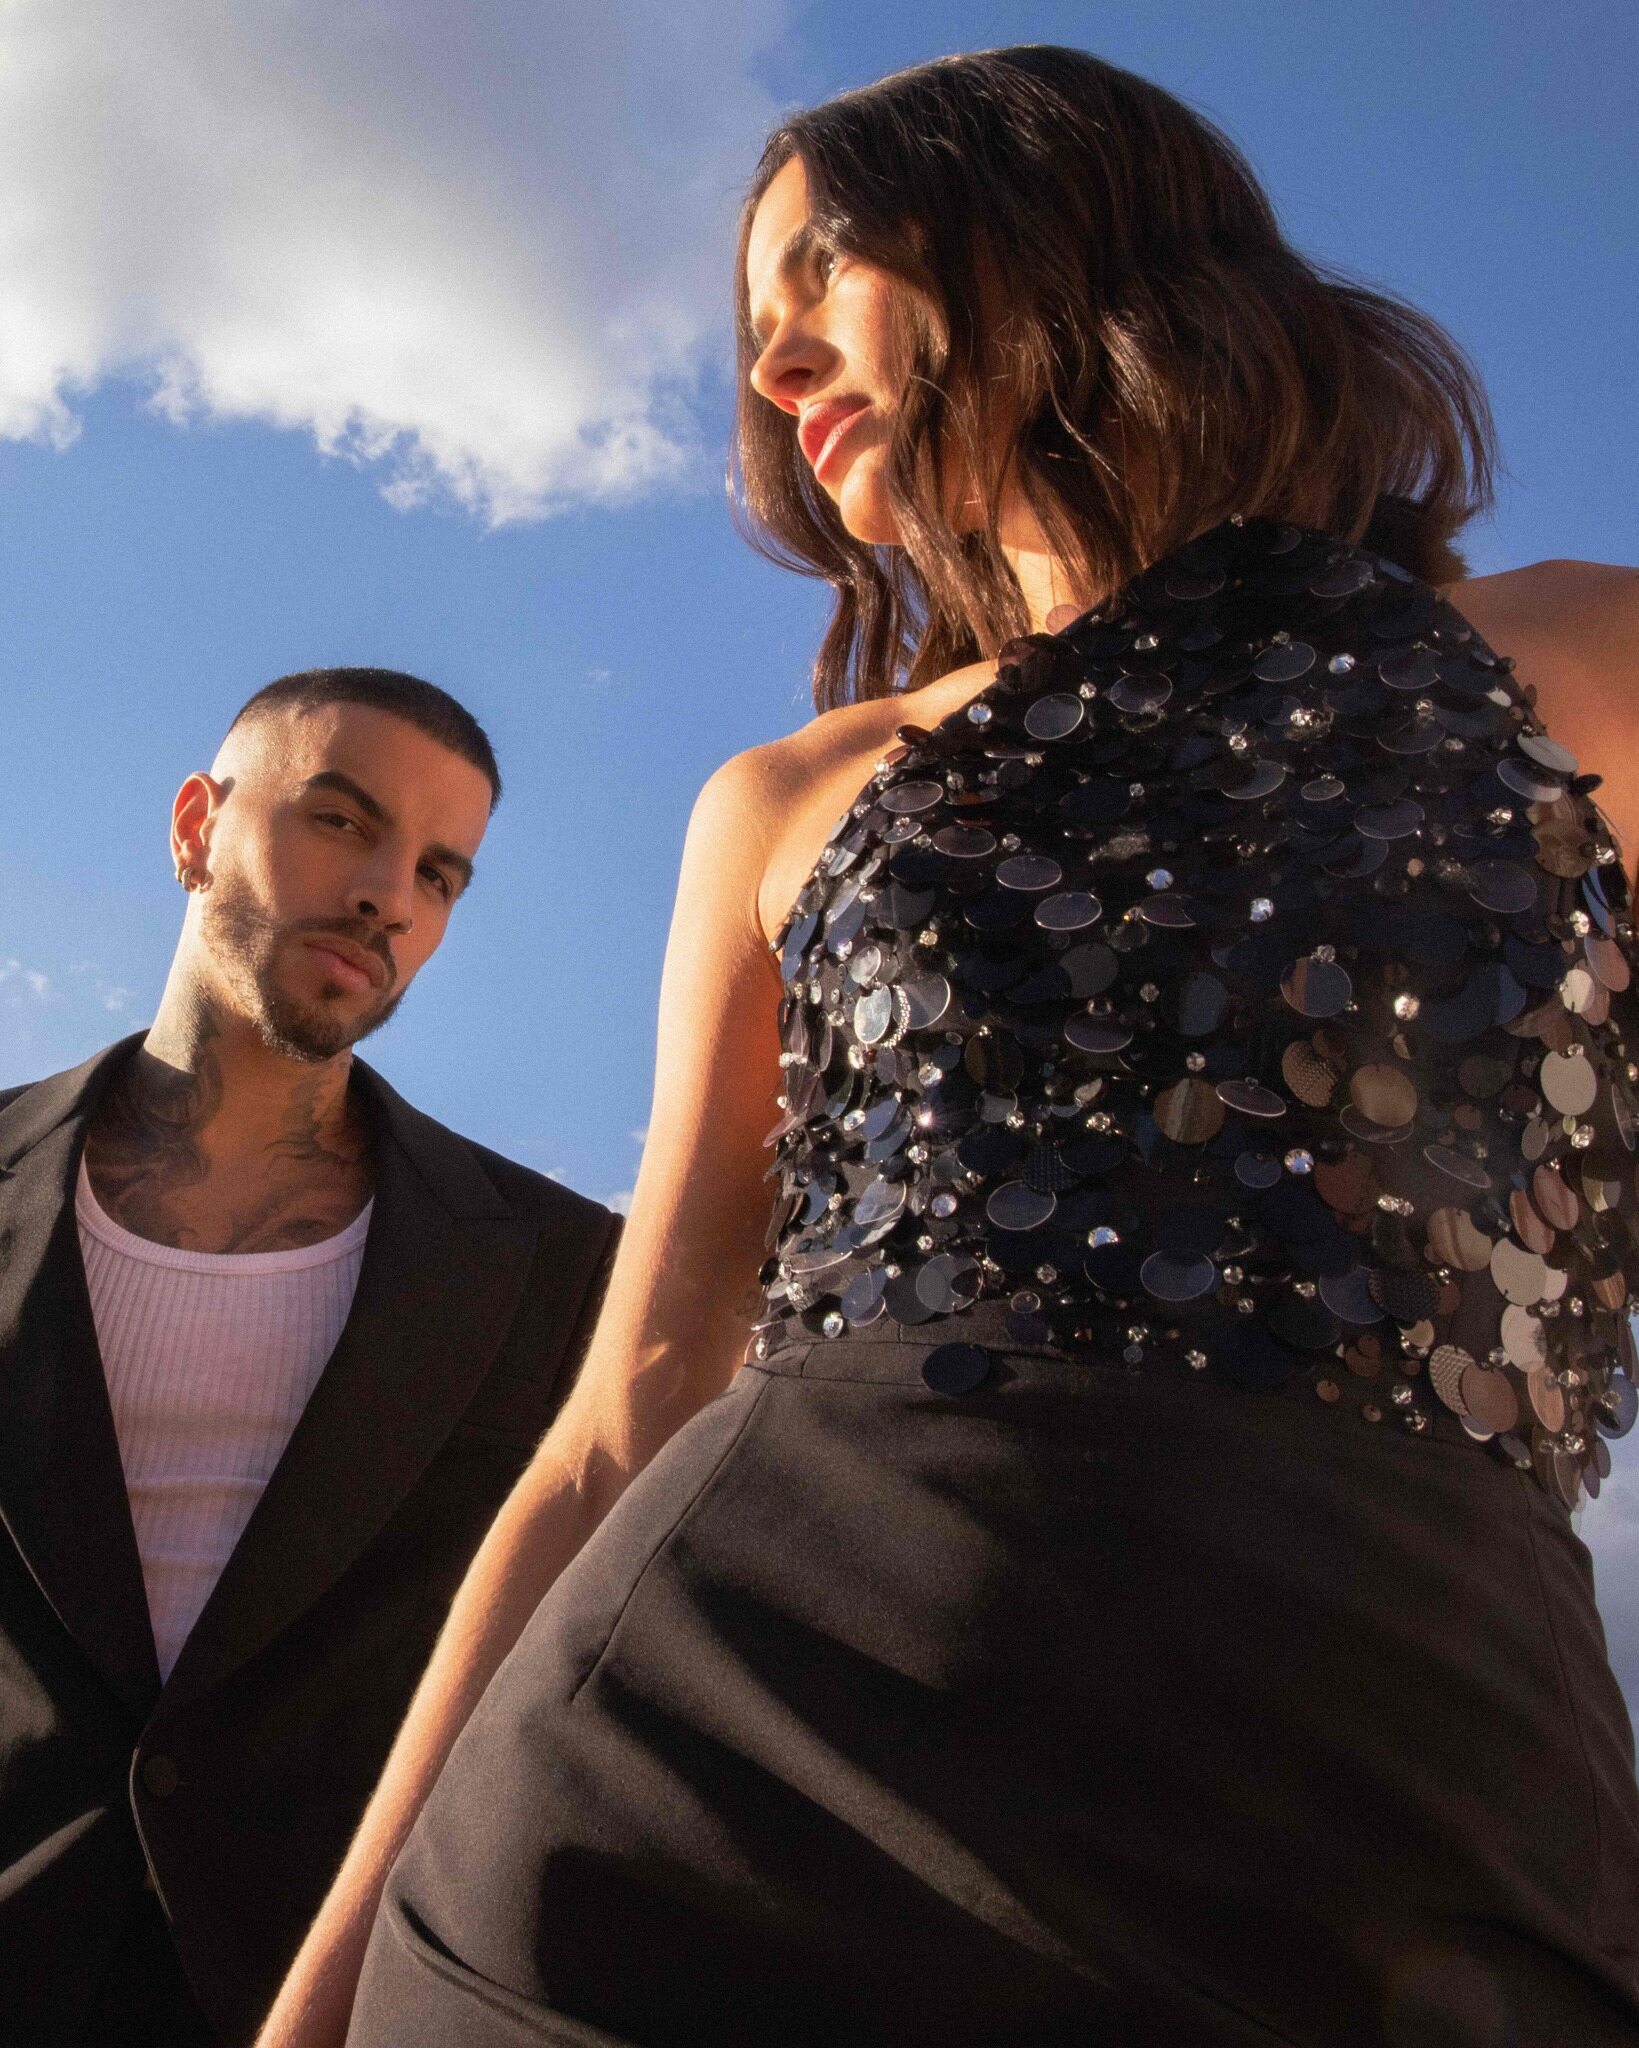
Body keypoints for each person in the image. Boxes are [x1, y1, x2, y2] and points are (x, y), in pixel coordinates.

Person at [265, 51, 1639, 2048]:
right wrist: (320, 1987)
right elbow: (621, 1417)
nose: (770, 368)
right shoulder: (787, 799)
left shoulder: (1588, 658)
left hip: (1400, 1822)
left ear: (1052, 223)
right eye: (750, 327)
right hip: (688, 1803)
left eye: (821, 268)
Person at [0, 668, 619, 2047]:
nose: (390, 896)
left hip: (348, 1993)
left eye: (439, 875)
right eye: (341, 822)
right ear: (195, 827)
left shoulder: (565, 1272)